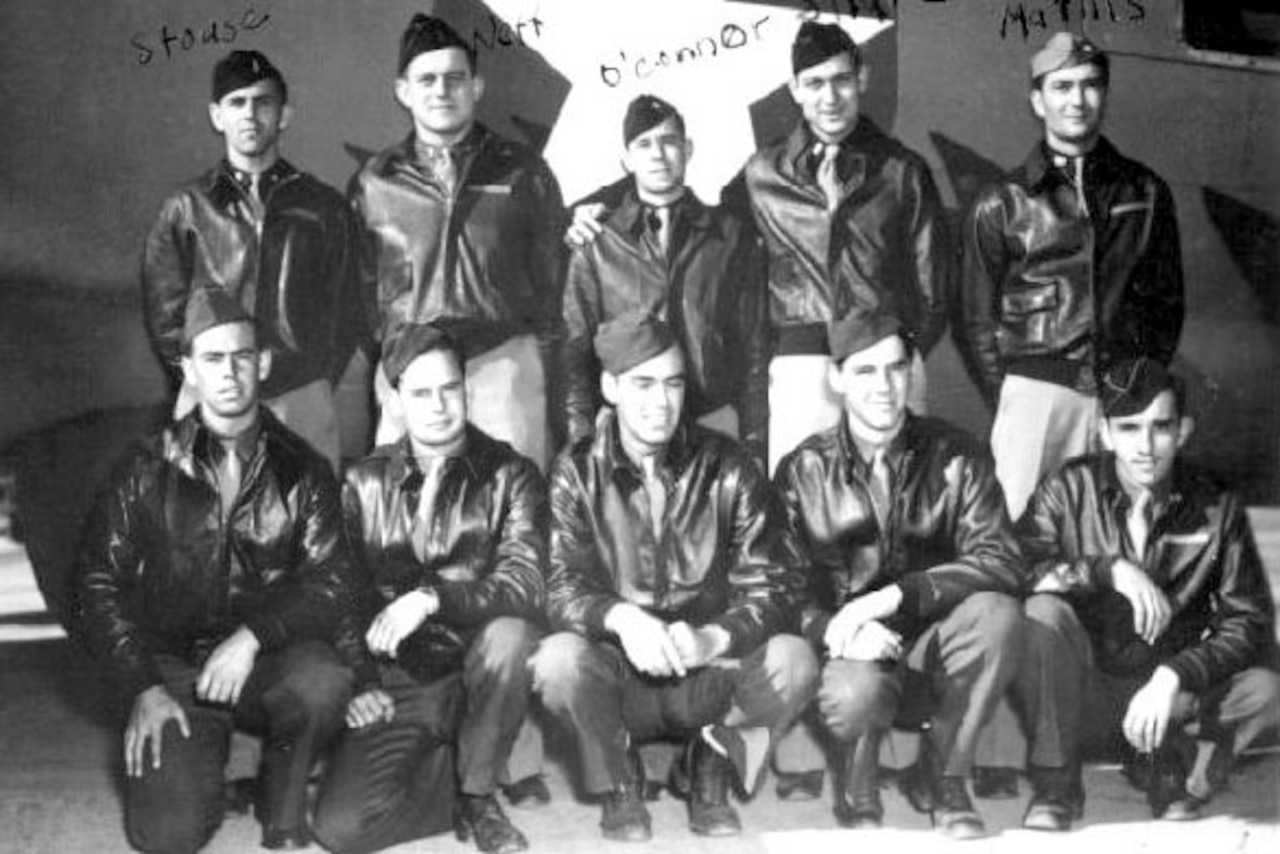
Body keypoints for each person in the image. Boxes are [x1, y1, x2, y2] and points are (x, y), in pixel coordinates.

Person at [566, 21, 953, 478]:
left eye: (841, 81)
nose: (829, 97)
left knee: (903, 495)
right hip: (802, 367)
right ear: (794, 89)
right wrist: (599, 205)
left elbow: (936, 287)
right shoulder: (762, 172)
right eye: (814, 83)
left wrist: (898, 355)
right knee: (802, 506)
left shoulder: (902, 171)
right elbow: (680, 202)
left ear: (861, 79)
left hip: (885, 365)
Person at [75, 289, 356, 852]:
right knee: (165, 835)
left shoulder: (303, 469)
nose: (229, 373)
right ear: (188, 371)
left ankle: (280, 798)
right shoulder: (144, 466)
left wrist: (255, 636)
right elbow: (95, 584)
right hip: (174, 667)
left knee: (322, 682)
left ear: (265, 364)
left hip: (264, 662)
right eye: (212, 359)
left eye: (242, 357)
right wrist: (143, 686)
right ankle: (212, 774)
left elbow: (334, 580)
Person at [533, 314, 818, 842]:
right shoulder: (575, 470)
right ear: (609, 388)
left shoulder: (729, 465)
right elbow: (558, 583)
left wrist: (714, 636)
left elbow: (775, 586)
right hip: (623, 681)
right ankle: (619, 777)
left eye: (673, 384)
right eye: (643, 384)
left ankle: (713, 764)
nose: (661, 403)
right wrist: (621, 619)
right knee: (557, 661)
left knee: (794, 663)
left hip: (705, 674)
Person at [773, 306, 1026, 839]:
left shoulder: (958, 454)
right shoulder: (803, 469)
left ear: (912, 369)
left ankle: (944, 777)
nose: (884, 387)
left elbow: (1001, 559)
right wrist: (838, 629)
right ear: (836, 379)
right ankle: (858, 784)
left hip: (935, 646)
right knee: (852, 694)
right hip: (854, 656)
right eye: (864, 371)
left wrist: (890, 599)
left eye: (895, 368)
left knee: (998, 616)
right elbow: (780, 590)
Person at [1010, 357, 1279, 829]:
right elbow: (1013, 571)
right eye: (1130, 429)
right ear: (1105, 433)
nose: (1146, 446)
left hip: (1165, 703)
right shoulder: (1067, 489)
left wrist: (1175, 676)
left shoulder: (1217, 507)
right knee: (1042, 612)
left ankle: (1170, 768)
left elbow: (1249, 622)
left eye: (1161, 427)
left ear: (1184, 431)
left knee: (1265, 689)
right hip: (1084, 698)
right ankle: (1057, 786)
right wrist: (1104, 569)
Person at [312, 324, 547, 854]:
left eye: (449, 388)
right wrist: (363, 681)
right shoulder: (363, 483)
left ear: (466, 389)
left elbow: (526, 581)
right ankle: (450, 776)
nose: (439, 405)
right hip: (405, 677)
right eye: (420, 393)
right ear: (394, 400)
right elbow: (341, 598)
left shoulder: (512, 474)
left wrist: (432, 598)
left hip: (479, 672)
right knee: (340, 829)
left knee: (511, 635)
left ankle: (479, 790)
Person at [957, 32, 1184, 521]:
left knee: (1114, 535)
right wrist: (1016, 395)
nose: (1076, 100)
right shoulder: (1002, 201)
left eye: (1089, 85)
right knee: (1017, 534)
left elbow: (1168, 306)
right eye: (1061, 87)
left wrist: (1135, 389)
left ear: (1104, 94)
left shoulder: (1145, 190)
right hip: (1035, 397)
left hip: (1119, 398)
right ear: (1038, 100)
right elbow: (975, 319)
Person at [351, 14, 565, 470]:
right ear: (403, 91)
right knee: (406, 518)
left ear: (477, 86)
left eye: (455, 78)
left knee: (516, 505)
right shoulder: (375, 181)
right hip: (410, 371)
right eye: (426, 79)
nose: (441, 91)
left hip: (501, 366)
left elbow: (552, 277)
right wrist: (403, 352)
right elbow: (358, 288)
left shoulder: (522, 170)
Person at [142, 50, 358, 471]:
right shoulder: (187, 209)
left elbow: (344, 312)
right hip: (211, 402)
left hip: (300, 400)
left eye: (263, 102)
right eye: (237, 102)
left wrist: (306, 377)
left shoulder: (323, 208)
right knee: (208, 528)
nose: (250, 114)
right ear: (216, 116)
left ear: (284, 114)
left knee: (305, 527)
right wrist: (204, 376)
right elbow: (163, 313)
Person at [562, 94, 768, 464]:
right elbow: (575, 355)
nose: (657, 155)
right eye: (643, 144)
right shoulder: (597, 244)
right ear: (626, 159)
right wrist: (583, 444)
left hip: (713, 422)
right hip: (630, 431)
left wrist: (753, 443)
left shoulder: (731, 238)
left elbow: (754, 351)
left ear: (687, 149)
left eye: (668, 141)